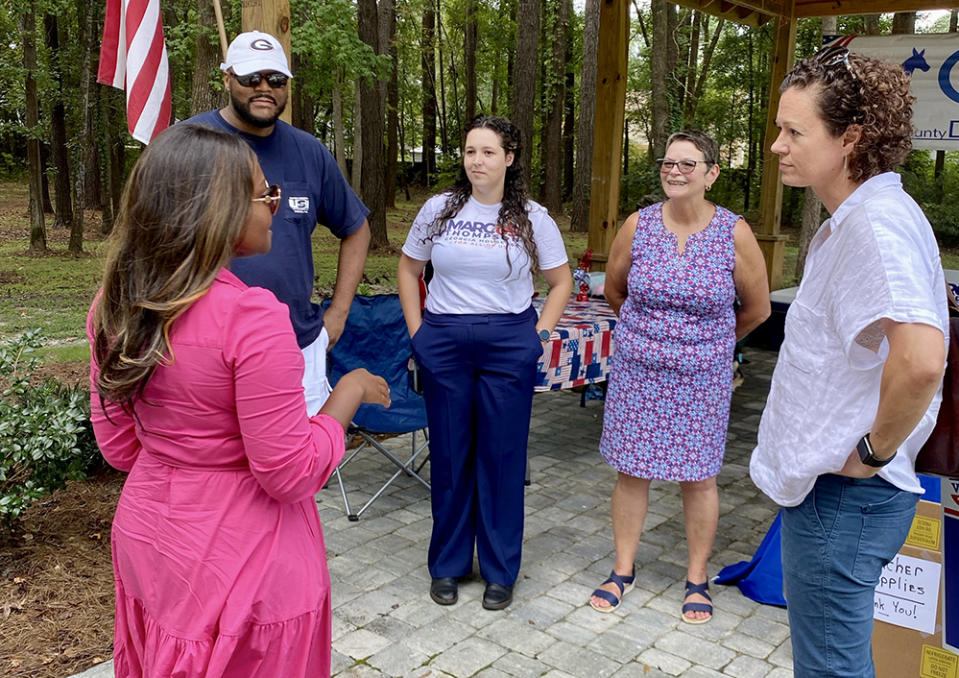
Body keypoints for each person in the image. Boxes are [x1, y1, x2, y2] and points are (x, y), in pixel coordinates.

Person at [87, 124, 390, 677]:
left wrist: (186, 454)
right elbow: (289, 473)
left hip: (149, 540)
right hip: (245, 563)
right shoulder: (254, 320)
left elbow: (118, 446)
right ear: (218, 211)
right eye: (263, 193)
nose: (276, 205)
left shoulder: (116, 304)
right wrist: (346, 397)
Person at [750, 46, 948, 678]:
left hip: (844, 496)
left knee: (830, 669)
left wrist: (871, 452)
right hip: (839, 495)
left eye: (793, 131)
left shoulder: (875, 227)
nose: (777, 145)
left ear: (851, 138)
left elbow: (921, 361)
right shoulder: (866, 216)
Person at [589, 129, 771, 622]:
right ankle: (622, 569)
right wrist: (650, 338)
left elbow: (756, 310)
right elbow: (613, 289)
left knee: (699, 476)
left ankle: (696, 579)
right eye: (669, 163)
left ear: (711, 174)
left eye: (688, 164)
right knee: (633, 471)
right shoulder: (639, 224)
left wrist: (710, 347)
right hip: (638, 371)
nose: (674, 171)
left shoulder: (734, 232)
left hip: (702, 378)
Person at [397, 115, 573, 611]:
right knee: (451, 457)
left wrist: (536, 337)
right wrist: (419, 333)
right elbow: (409, 271)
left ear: (509, 158)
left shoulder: (533, 218)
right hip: (445, 341)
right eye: (471, 151)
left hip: (507, 342)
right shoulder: (439, 210)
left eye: (488, 152)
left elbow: (560, 283)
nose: (477, 161)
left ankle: (500, 570)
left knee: (501, 458)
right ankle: (448, 566)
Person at [185, 30, 370, 415]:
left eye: (276, 79)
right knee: (221, 466)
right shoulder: (190, 143)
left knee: (296, 469)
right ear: (227, 79)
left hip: (296, 345)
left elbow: (356, 227)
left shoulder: (309, 152)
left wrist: (337, 313)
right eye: (252, 78)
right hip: (206, 350)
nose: (264, 88)